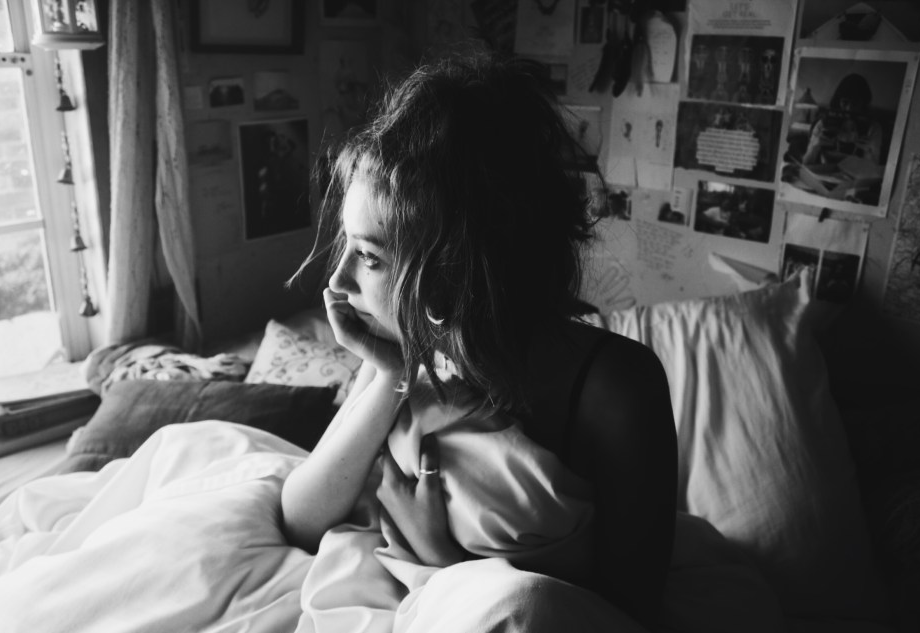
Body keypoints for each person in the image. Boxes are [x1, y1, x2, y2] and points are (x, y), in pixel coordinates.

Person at [281, 50, 678, 628]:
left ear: (455, 268)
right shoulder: (403, 345)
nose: (337, 283)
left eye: (368, 256)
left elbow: (625, 610)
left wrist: (444, 562)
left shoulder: (618, 389)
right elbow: (300, 519)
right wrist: (390, 376)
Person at [802, 72, 883, 166]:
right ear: (838, 101)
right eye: (845, 102)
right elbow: (805, 163)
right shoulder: (823, 124)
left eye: (855, 103)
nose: (849, 109)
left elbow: (873, 169)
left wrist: (869, 153)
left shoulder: (873, 129)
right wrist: (814, 147)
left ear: (863, 104)